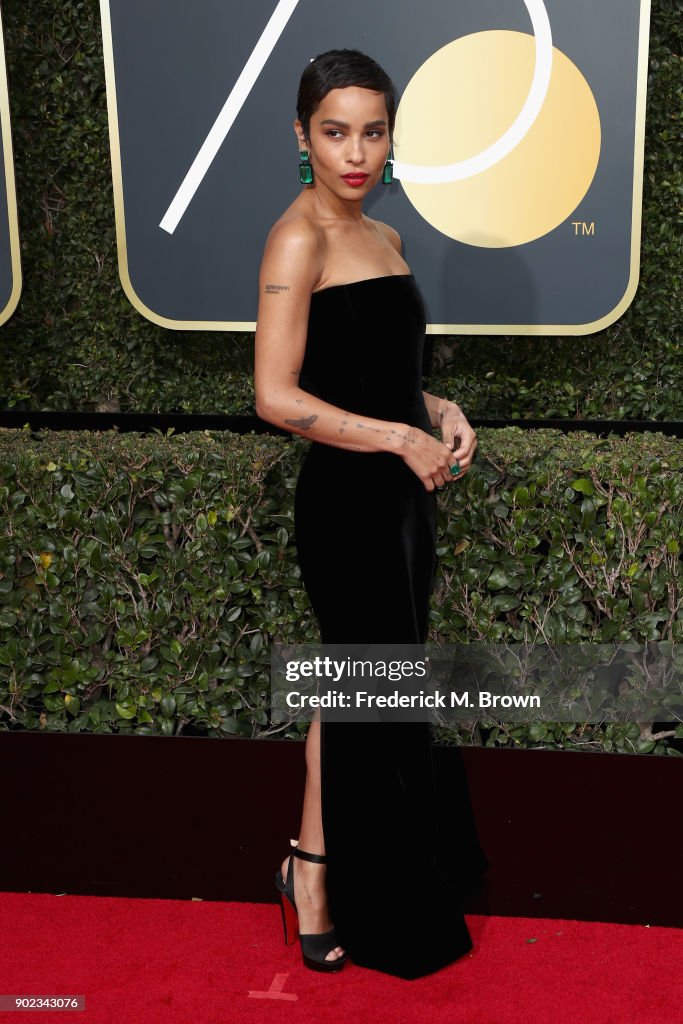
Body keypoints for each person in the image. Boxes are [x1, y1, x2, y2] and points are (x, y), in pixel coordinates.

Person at [255, 49, 486, 979]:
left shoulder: (384, 239)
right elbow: (275, 397)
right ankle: (320, 884)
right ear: (301, 136)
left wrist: (436, 411)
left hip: (402, 506)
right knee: (362, 691)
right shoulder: (297, 238)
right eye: (335, 131)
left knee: (354, 694)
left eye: (373, 131)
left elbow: (384, 375)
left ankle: (307, 867)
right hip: (347, 507)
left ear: (391, 136)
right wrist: (396, 438)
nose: (356, 152)